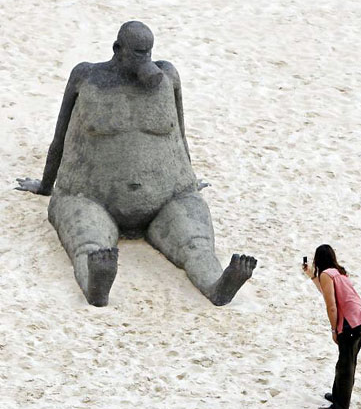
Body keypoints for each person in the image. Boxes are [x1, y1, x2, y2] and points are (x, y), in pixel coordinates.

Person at [15, 21, 257, 307]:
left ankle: (218, 286)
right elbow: (59, 137)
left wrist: (190, 180)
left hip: (166, 197)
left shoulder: (167, 77)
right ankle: (97, 287)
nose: (146, 61)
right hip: (91, 196)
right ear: (118, 49)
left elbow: (180, 132)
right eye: (138, 53)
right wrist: (46, 185)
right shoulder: (86, 77)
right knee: (88, 246)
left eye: (148, 53)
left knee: (196, 245)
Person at [303, 244, 361, 409]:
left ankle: (340, 408)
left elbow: (331, 306)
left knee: (346, 365)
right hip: (360, 318)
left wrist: (334, 329)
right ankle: (338, 396)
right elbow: (326, 291)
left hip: (350, 323)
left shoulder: (326, 274)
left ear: (318, 259)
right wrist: (311, 275)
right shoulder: (338, 272)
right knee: (345, 362)